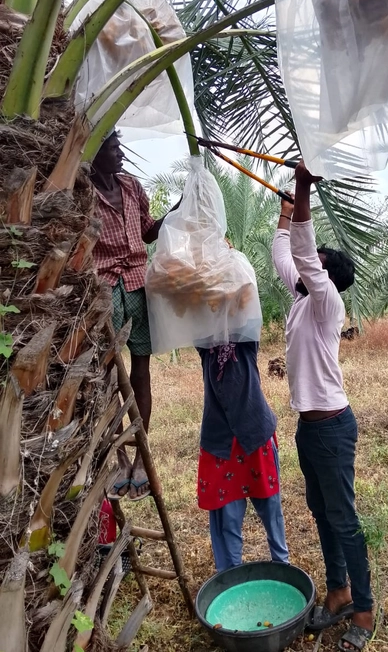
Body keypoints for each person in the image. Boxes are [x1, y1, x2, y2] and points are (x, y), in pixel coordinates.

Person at [272, 162, 374, 651]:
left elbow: (302, 253)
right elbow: (285, 256)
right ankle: (338, 592)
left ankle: (365, 611)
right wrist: (284, 212)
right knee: (321, 512)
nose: (310, 264)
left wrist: (303, 191)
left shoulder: (326, 302)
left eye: (319, 260)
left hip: (332, 428)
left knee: (345, 519)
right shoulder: (300, 303)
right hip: (309, 430)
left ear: (327, 276)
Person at [91, 131, 179, 502]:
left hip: (139, 286)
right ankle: (120, 457)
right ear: (95, 156)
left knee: (141, 371)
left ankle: (141, 455)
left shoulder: (130, 186)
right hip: (105, 288)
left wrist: (176, 210)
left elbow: (145, 233)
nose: (121, 155)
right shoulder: (83, 192)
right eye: (114, 149)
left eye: (120, 147)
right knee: (110, 377)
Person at [195, 336, 290, 571]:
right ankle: (231, 578)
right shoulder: (206, 345)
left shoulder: (245, 340)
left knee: (270, 510)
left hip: (254, 431)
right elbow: (192, 314)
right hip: (221, 442)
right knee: (228, 520)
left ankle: (283, 569)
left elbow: (245, 306)